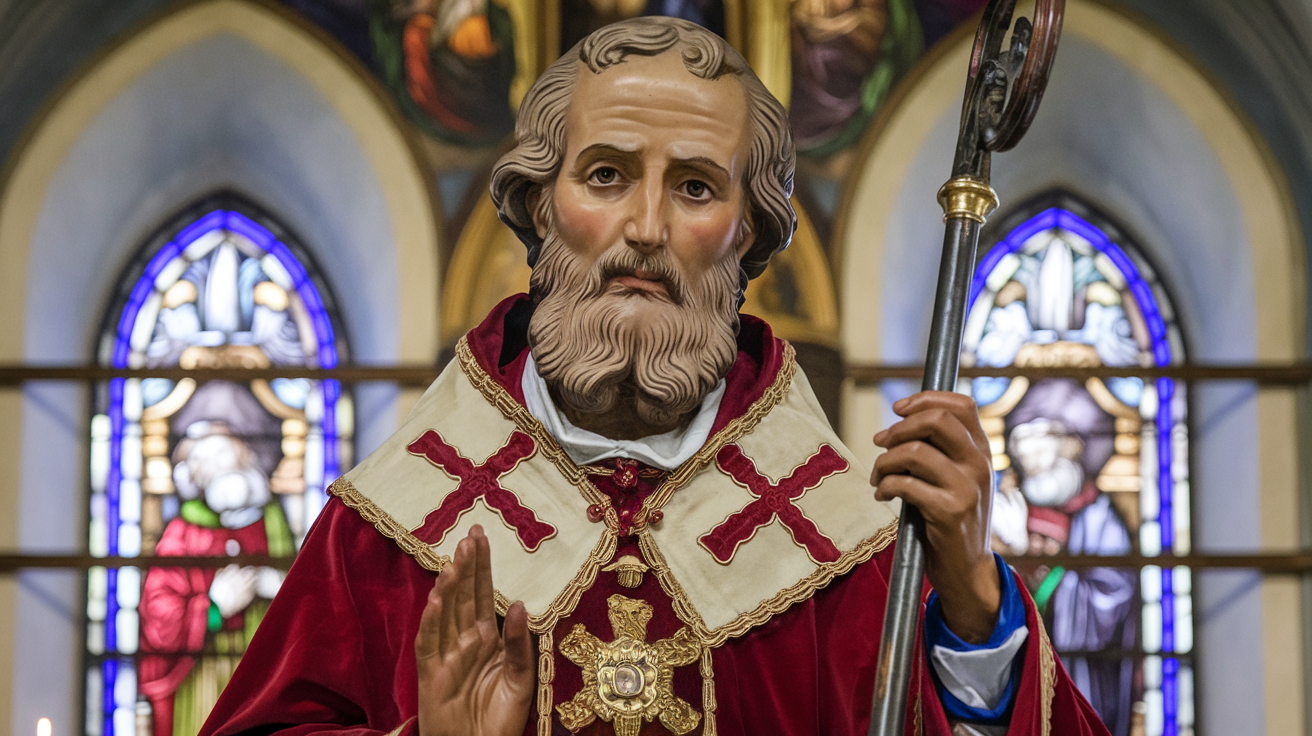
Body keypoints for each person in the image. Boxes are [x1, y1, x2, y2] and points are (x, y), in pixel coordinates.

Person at [200, 17, 1109, 736]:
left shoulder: (850, 546)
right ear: (537, 206)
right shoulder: (396, 527)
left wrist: (976, 608)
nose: (645, 226)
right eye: (604, 175)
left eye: (696, 188)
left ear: (747, 231)